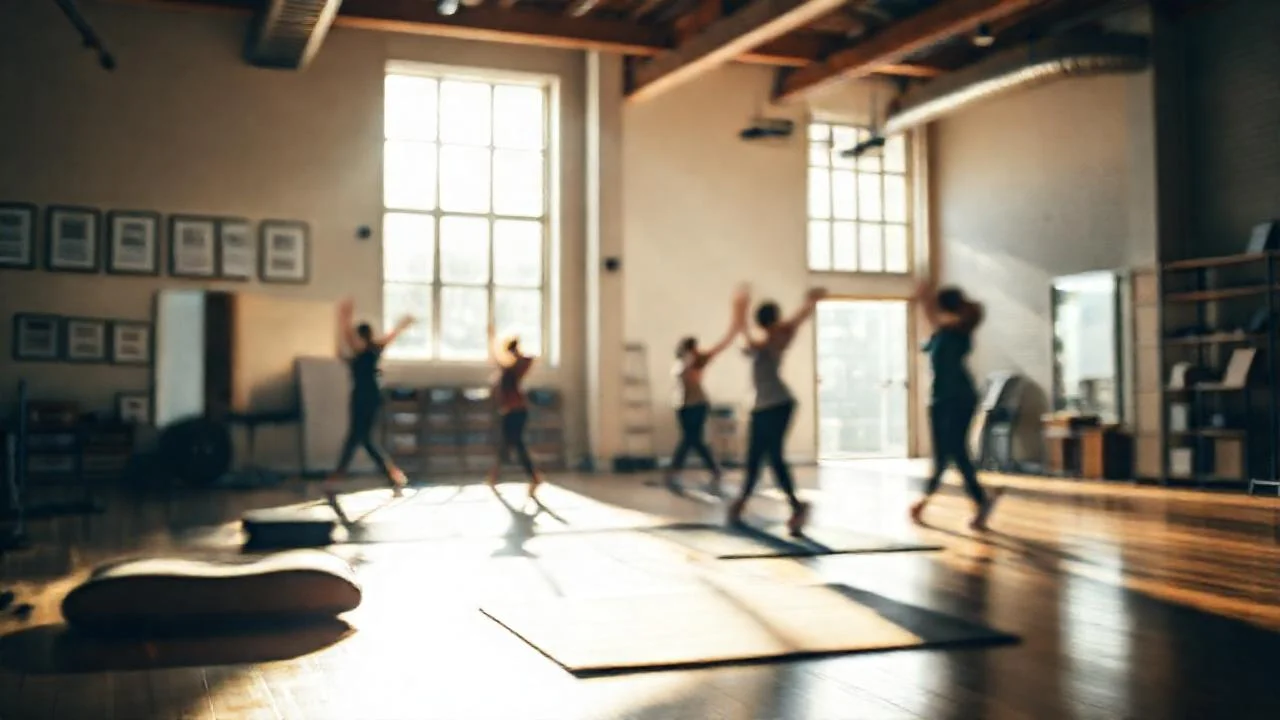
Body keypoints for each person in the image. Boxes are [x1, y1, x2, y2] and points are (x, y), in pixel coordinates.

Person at [727, 286, 827, 536]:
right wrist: (740, 315)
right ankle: (745, 504)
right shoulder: (762, 341)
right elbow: (747, 344)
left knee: (773, 457)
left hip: (778, 405)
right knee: (755, 458)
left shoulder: (776, 339)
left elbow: (793, 323)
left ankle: (794, 506)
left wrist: (740, 312)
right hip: (761, 407)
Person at [909, 280, 1002, 531]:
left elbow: (937, 319)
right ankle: (977, 502)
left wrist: (924, 300)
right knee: (945, 454)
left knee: (955, 452)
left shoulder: (959, 332)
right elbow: (932, 324)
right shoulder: (943, 333)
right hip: (939, 399)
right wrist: (924, 300)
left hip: (958, 398)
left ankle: (934, 501)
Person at [324, 299, 415, 518]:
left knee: (356, 437)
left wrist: (344, 318)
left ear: (363, 337)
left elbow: (388, 336)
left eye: (357, 337)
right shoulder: (361, 353)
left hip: (368, 398)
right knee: (364, 439)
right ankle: (393, 474)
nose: (354, 340)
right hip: (361, 397)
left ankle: (339, 475)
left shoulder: (371, 350)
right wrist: (343, 320)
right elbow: (345, 347)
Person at [665, 286, 751, 497]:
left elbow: (720, 345)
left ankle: (678, 470)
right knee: (693, 439)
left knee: (690, 438)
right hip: (682, 405)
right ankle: (713, 469)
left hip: (698, 404)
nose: (694, 350)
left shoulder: (700, 359)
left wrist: (736, 324)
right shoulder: (680, 362)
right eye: (691, 347)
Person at [487, 327, 543, 500]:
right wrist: (492, 338)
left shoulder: (515, 368)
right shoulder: (507, 369)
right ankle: (495, 476)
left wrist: (515, 351)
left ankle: (532, 476)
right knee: (508, 443)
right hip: (509, 412)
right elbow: (497, 359)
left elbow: (529, 359)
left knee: (516, 444)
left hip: (517, 412)